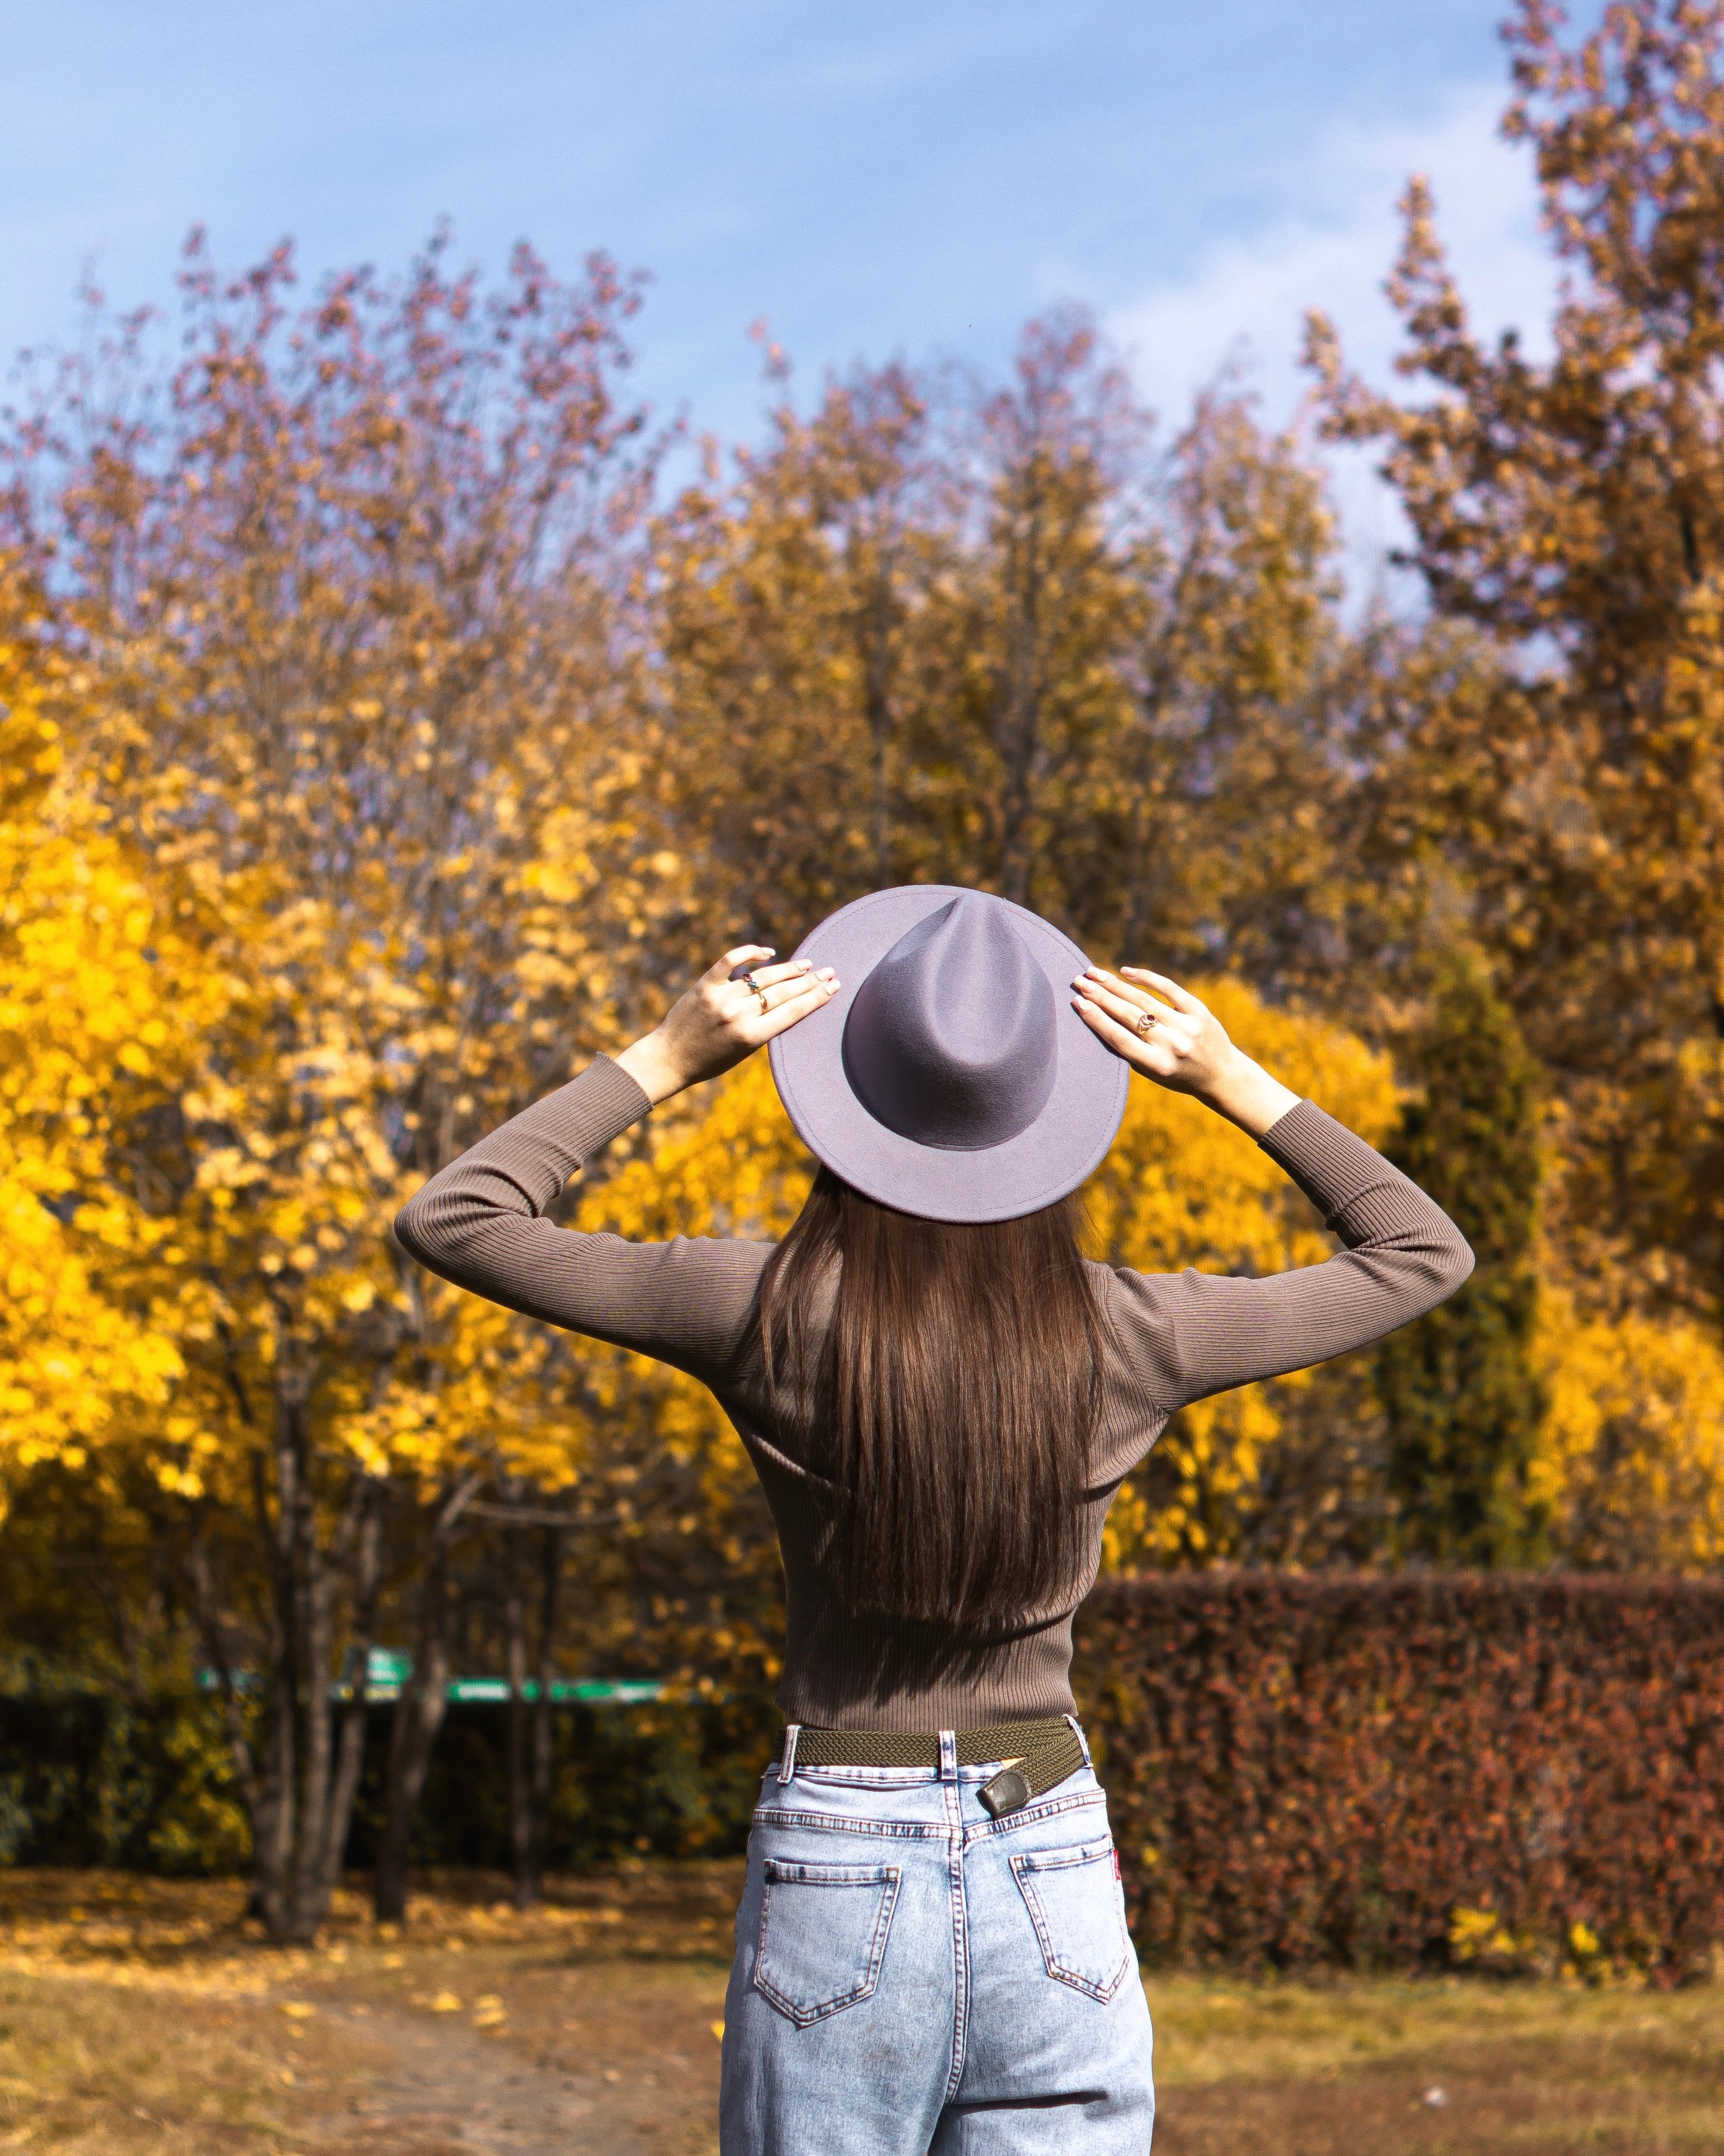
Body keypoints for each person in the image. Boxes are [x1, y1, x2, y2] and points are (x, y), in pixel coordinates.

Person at [395, 884, 1472, 2155]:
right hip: (1049, 1847)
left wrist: (669, 1055)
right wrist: (1231, 1079)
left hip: (838, 1849)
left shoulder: (758, 1308)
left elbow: (456, 1216)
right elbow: (1422, 1251)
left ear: (846, 1107)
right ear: (1046, 1118)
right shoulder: (1133, 1330)